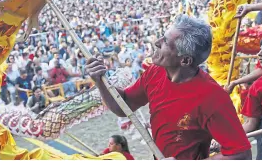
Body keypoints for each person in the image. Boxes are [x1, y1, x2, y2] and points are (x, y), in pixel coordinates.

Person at [86, 15, 252, 160]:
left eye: (165, 42)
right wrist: (100, 82)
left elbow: (241, 155)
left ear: (185, 60)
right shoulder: (155, 72)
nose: (156, 43)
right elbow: (124, 105)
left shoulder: (213, 98)